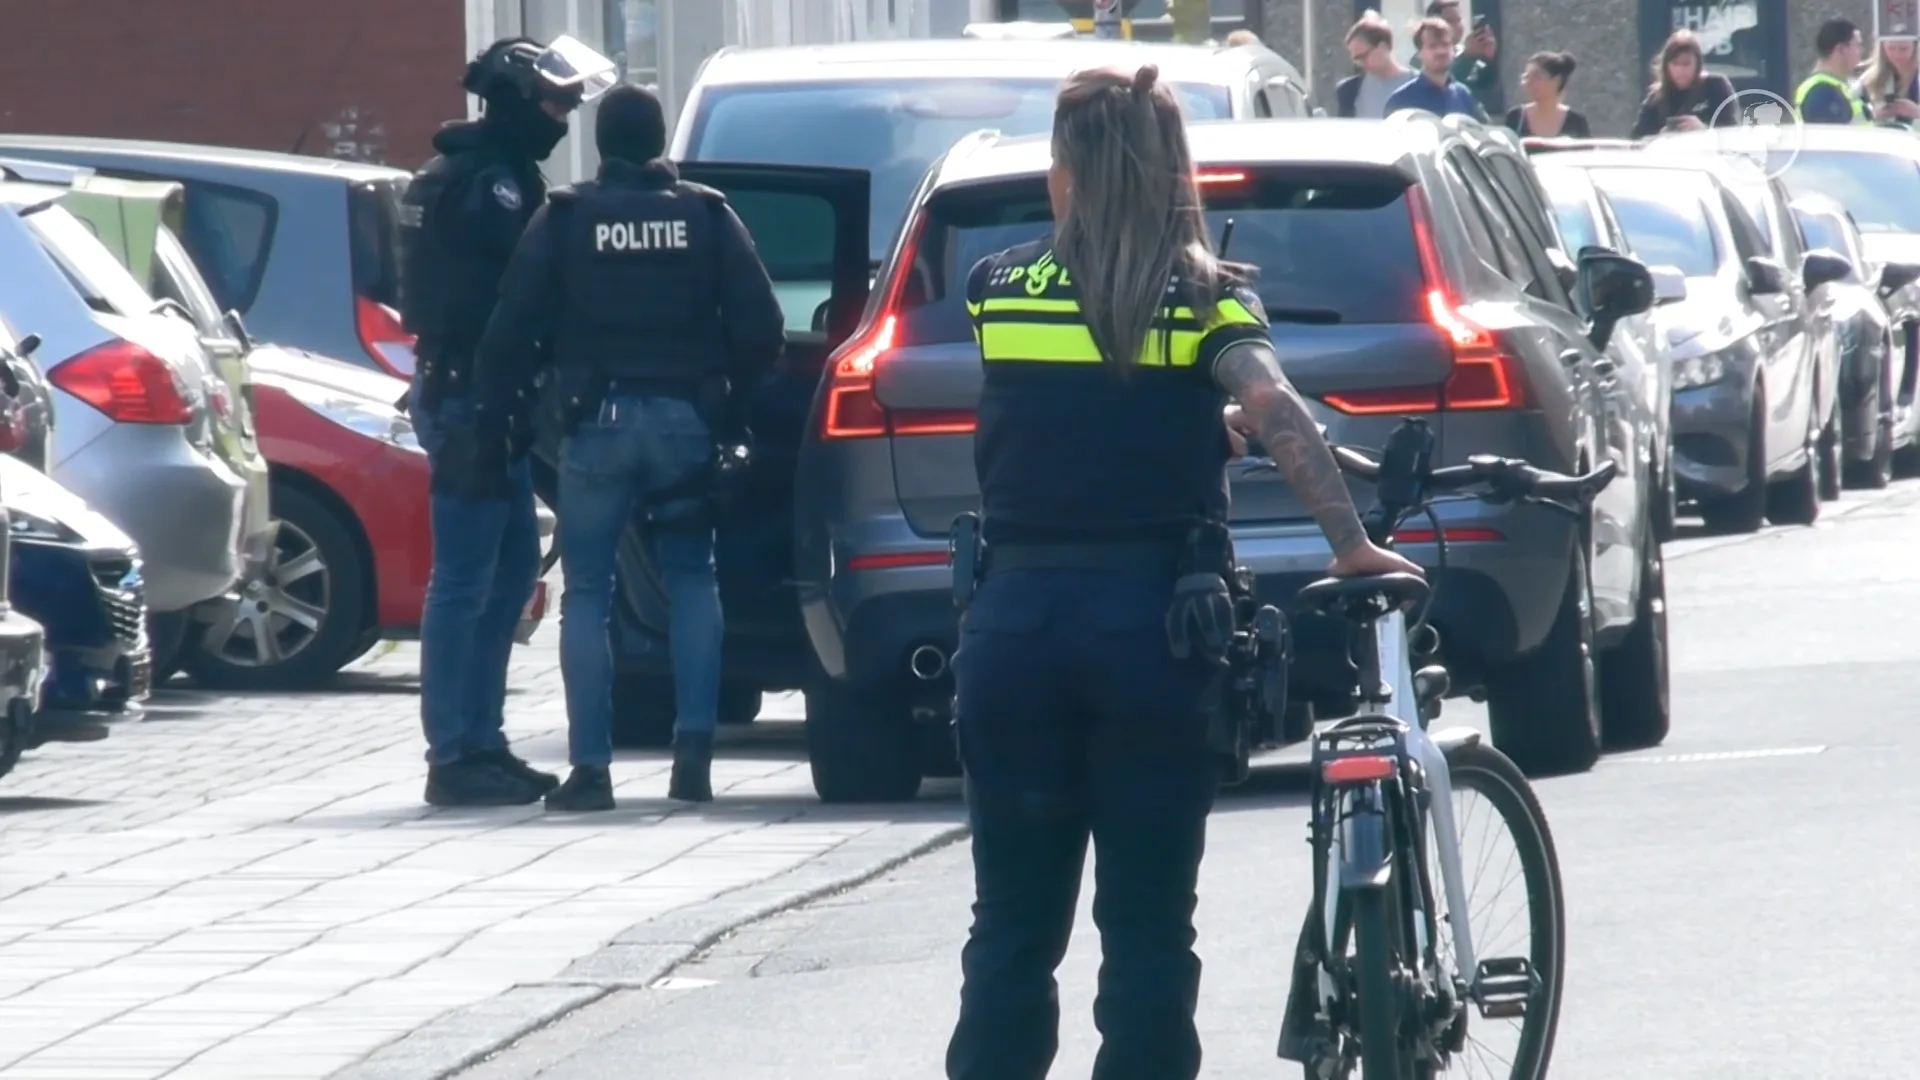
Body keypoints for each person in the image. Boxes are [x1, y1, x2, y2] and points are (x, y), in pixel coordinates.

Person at [942, 63, 1422, 1080]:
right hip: (1153, 634)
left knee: (1012, 931)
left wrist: (1186, 429)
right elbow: (1280, 408)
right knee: (1150, 929)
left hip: (1015, 629)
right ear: (1171, 170)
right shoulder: (1205, 301)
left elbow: (1070, 422)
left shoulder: (996, 290)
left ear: (1065, 170)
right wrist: (1348, 543)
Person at [470, 84, 785, 812]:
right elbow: (762, 324)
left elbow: (511, 325)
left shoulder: (567, 216)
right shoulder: (707, 215)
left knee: (588, 591)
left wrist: (504, 411)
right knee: (693, 580)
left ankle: (592, 772)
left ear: (602, 145)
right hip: (684, 423)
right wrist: (728, 401)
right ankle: (694, 761)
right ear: (661, 141)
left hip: (595, 424)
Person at [400, 36, 606, 808]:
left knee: (513, 568)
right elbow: (522, 291)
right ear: (518, 103)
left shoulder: (464, 173)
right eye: (554, 105)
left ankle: (481, 740)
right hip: (471, 400)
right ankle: (454, 753)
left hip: (485, 397)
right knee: (464, 579)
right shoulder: (491, 187)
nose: (562, 118)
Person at [1630, 29, 1738, 137]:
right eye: (1675, 64)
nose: (1680, 70)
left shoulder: (1716, 86)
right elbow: (1636, 139)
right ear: (1666, 66)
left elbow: (1733, 133)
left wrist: (1704, 129)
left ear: (1697, 65)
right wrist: (1660, 137)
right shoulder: (1656, 99)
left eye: (1686, 64)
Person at [1384, 17, 1488, 120]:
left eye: (1445, 44)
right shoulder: (1401, 101)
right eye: (1433, 46)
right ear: (1419, 53)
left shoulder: (1463, 95)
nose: (1441, 51)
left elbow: (1484, 131)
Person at [1424, 0, 1502, 114]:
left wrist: (1488, 59)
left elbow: (1486, 87)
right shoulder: (1423, 57)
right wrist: (1467, 57)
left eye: (1459, 20)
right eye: (1450, 21)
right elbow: (1443, 84)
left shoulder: (1466, 52)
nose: (1457, 26)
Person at [1336, 11, 1412, 118]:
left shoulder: (1419, 84)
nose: (1361, 64)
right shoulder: (1349, 90)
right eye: (1356, 59)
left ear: (1383, 47)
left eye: (1363, 56)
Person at [1798, 17, 1871, 124]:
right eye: (1857, 45)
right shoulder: (1822, 92)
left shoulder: (1835, 85)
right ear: (1841, 50)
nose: (1861, 51)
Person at [1505, 50, 1591, 137]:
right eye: (1526, 77)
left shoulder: (1576, 122)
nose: (1529, 82)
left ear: (1556, 80)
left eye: (1537, 77)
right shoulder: (1516, 117)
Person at [1859, 36, 1920, 125]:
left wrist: (1916, 112)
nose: (1897, 54)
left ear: (1915, 47)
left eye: (1903, 49)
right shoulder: (1869, 79)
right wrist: (1874, 116)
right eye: (1891, 48)